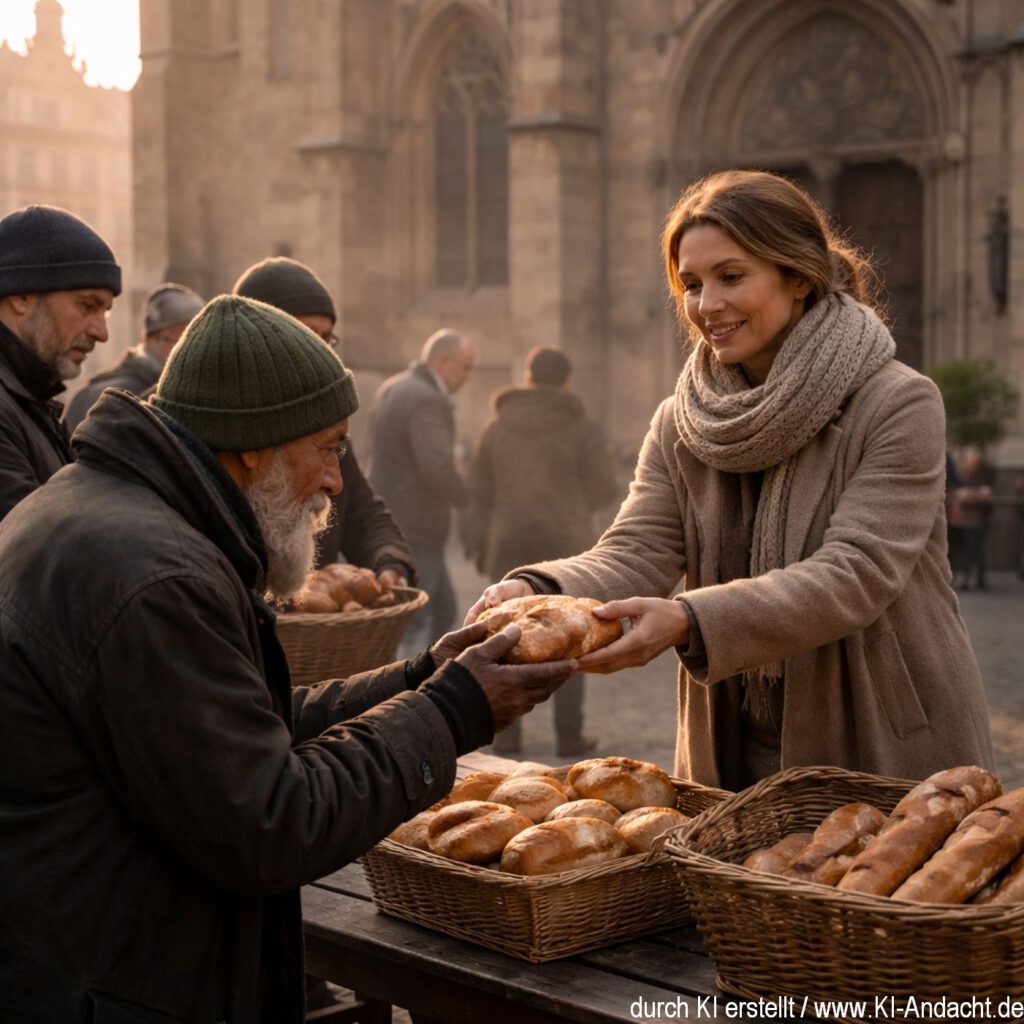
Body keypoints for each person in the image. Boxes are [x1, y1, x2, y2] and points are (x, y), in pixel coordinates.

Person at [0, 295, 573, 1023]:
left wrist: (420, 678)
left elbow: (239, 728)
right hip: (106, 985)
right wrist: (453, 711)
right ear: (252, 445)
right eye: (327, 446)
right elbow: (270, 821)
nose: (336, 480)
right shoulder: (152, 574)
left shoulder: (123, 518)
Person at [468, 169, 994, 791]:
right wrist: (536, 588)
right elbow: (637, 550)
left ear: (797, 276)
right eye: (691, 284)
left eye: (731, 277)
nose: (706, 305)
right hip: (730, 738)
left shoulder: (899, 402)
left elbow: (857, 572)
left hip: (876, 733)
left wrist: (690, 619)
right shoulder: (680, 420)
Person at [468, 345, 620, 757]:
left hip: (509, 543)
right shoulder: (582, 427)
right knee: (570, 637)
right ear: (567, 380)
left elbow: (479, 492)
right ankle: (568, 736)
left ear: (529, 377)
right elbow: (604, 488)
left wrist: (478, 543)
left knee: (505, 636)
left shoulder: (496, 428)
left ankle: (506, 733)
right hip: (565, 544)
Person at [232, 256, 415, 590]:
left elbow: (363, 512)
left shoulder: (327, 428)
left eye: (325, 339)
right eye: (306, 335)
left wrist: (389, 562)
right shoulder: (224, 430)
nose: (319, 352)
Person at [0, 204, 120, 520]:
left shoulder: (29, 398)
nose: (102, 332)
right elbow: (38, 548)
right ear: (21, 296)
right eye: (87, 306)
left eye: (105, 311)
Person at [369, 328, 474, 655]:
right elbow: (436, 467)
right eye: (465, 367)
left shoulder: (393, 387)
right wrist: (469, 495)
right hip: (417, 526)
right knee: (418, 621)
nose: (468, 376)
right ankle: (404, 695)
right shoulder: (427, 399)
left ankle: (427, 684)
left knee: (443, 612)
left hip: (395, 519)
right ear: (443, 361)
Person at [63, 282, 204, 432]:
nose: (191, 350)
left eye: (199, 341)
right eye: (179, 339)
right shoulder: (112, 395)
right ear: (149, 339)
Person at [953, 446, 995, 591]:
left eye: (969, 461)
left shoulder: (983, 475)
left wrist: (970, 495)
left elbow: (986, 494)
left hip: (978, 519)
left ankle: (970, 577)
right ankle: (976, 577)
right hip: (963, 519)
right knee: (972, 549)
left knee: (974, 548)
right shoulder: (963, 475)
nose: (967, 463)